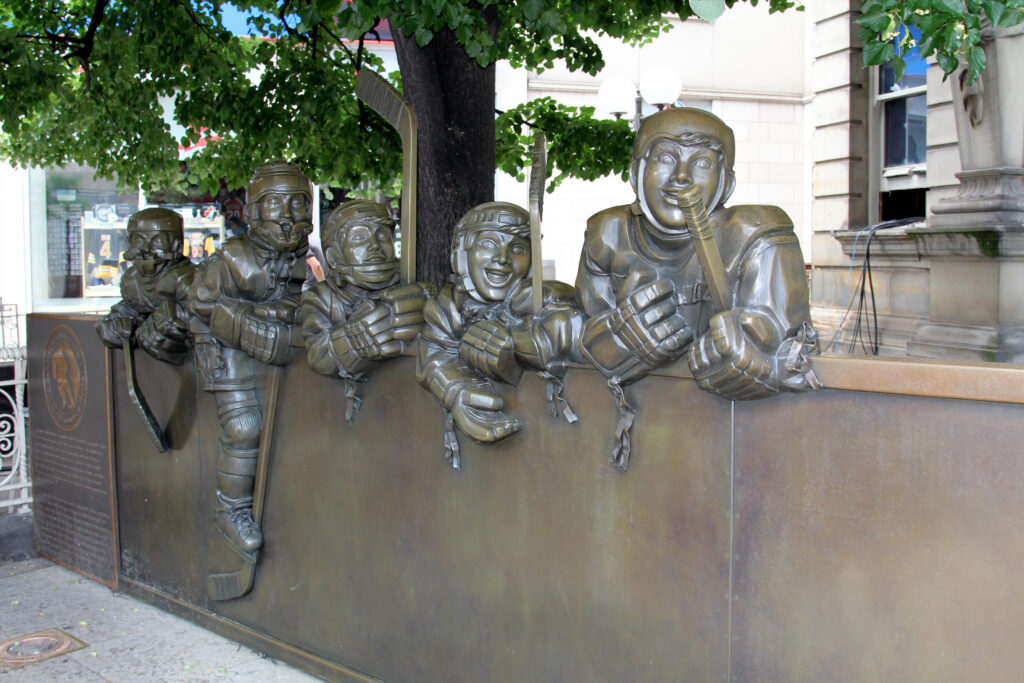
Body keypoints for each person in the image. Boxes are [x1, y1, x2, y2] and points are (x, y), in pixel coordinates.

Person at [575, 108, 818, 466]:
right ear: (635, 173)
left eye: (702, 163)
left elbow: (788, 345)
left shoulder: (755, 234)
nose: (682, 178)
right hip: (640, 441)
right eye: (665, 158)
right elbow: (582, 333)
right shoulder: (607, 235)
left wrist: (759, 361)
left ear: (726, 184)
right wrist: (616, 341)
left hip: (732, 448)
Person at [187, 161, 313, 557]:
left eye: (299, 203)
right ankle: (230, 509)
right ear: (255, 209)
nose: (290, 215)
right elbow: (199, 304)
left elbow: (290, 301)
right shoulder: (232, 258)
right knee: (244, 427)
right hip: (225, 349)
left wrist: (284, 313)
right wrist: (244, 323)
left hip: (271, 349)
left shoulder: (297, 256)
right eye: (277, 203)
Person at [417, 201, 583, 468]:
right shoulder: (447, 307)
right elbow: (433, 353)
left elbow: (566, 328)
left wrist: (517, 346)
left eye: (517, 249)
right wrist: (458, 392)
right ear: (460, 253)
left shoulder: (545, 300)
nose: (502, 258)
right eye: (489, 244)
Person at [299, 200, 434, 421]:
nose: (375, 246)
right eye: (360, 238)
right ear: (333, 256)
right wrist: (356, 339)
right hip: (339, 414)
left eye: (383, 236)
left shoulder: (413, 292)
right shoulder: (322, 299)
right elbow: (319, 355)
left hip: (402, 410)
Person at [96, 207, 193, 365]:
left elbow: (204, 314)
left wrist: (174, 320)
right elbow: (131, 308)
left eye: (157, 240)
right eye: (139, 240)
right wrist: (115, 326)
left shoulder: (187, 279)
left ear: (176, 245)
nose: (147, 249)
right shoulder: (131, 280)